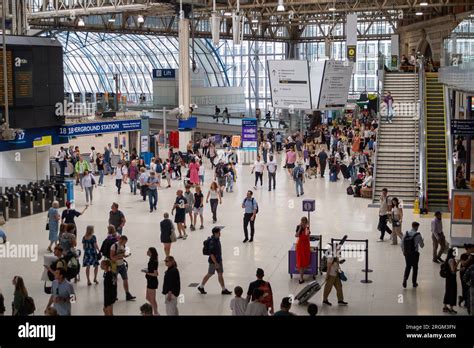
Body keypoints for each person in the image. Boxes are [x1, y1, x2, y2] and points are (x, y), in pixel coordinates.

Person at [197, 226, 232, 295]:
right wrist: (216, 263)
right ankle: (201, 287)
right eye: (219, 232)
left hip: (219, 260)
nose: (220, 234)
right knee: (210, 274)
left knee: (220, 274)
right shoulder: (212, 242)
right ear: (215, 233)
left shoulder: (217, 239)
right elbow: (211, 254)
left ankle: (223, 289)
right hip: (213, 262)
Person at [110, 235, 136, 301]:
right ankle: (113, 295)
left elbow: (123, 255)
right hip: (115, 265)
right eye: (125, 241)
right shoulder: (114, 246)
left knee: (125, 279)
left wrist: (126, 255)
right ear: (121, 240)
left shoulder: (123, 246)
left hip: (122, 265)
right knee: (114, 281)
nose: (125, 243)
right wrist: (120, 256)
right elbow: (112, 257)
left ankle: (127, 294)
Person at [401, 221, 424, 288]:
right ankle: (414, 283)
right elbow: (422, 246)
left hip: (407, 253)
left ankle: (405, 278)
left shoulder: (406, 233)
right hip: (414, 254)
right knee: (415, 267)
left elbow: (402, 244)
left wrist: (403, 251)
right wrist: (422, 241)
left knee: (408, 266)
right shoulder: (418, 235)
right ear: (416, 227)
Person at [144, 247, 159, 315]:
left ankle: (155, 312)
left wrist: (147, 273)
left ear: (151, 253)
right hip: (149, 281)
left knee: (152, 299)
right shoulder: (151, 260)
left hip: (152, 282)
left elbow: (155, 274)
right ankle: (154, 309)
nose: (147, 252)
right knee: (147, 297)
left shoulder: (154, 261)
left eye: (148, 251)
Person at [443, 248, 458, 314]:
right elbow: (453, 270)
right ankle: (451, 309)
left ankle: (445, 307)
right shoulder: (451, 260)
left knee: (448, 291)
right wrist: (458, 262)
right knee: (452, 292)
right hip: (452, 279)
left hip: (448, 278)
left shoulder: (448, 259)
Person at [296, 217, 311, 284]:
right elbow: (296, 235)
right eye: (302, 221)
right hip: (300, 246)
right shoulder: (298, 227)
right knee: (300, 262)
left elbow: (307, 234)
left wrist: (306, 227)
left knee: (305, 262)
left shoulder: (307, 228)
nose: (302, 223)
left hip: (306, 246)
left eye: (304, 222)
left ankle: (301, 276)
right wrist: (300, 228)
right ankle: (301, 278)